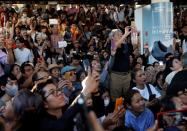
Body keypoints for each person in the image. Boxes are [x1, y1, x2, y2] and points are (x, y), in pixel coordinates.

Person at [109, 27, 132, 101]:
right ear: (113, 37)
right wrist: (125, 34)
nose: (121, 36)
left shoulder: (125, 45)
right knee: (116, 99)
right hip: (116, 76)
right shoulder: (112, 43)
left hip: (127, 75)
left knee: (128, 97)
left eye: (121, 35)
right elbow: (115, 47)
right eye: (119, 35)